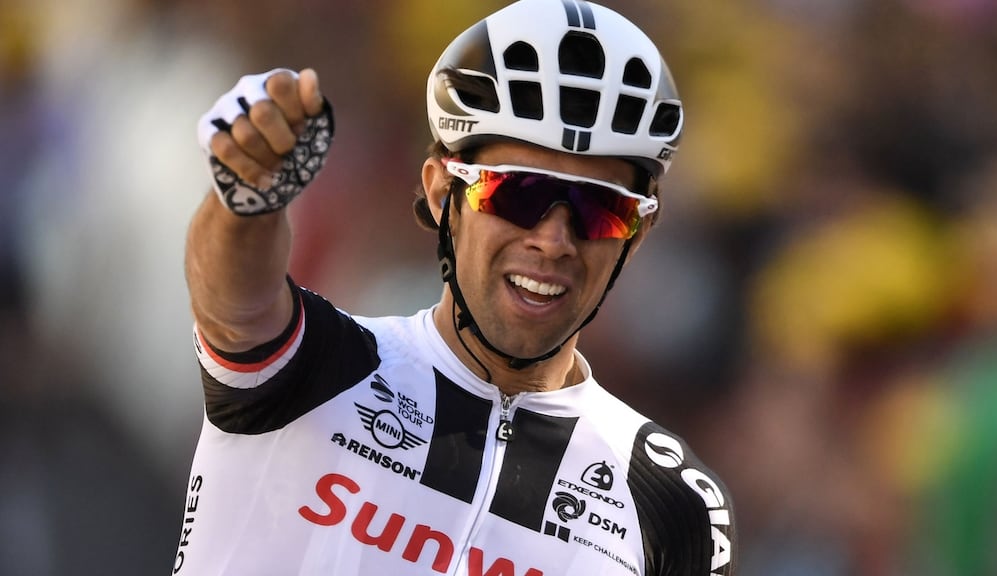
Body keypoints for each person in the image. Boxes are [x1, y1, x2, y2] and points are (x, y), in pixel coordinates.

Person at [175, 1, 736, 574]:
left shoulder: (673, 508)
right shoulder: (318, 369)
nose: (554, 240)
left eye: (601, 210)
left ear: (637, 234)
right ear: (444, 192)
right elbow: (233, 300)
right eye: (517, 194)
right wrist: (245, 201)